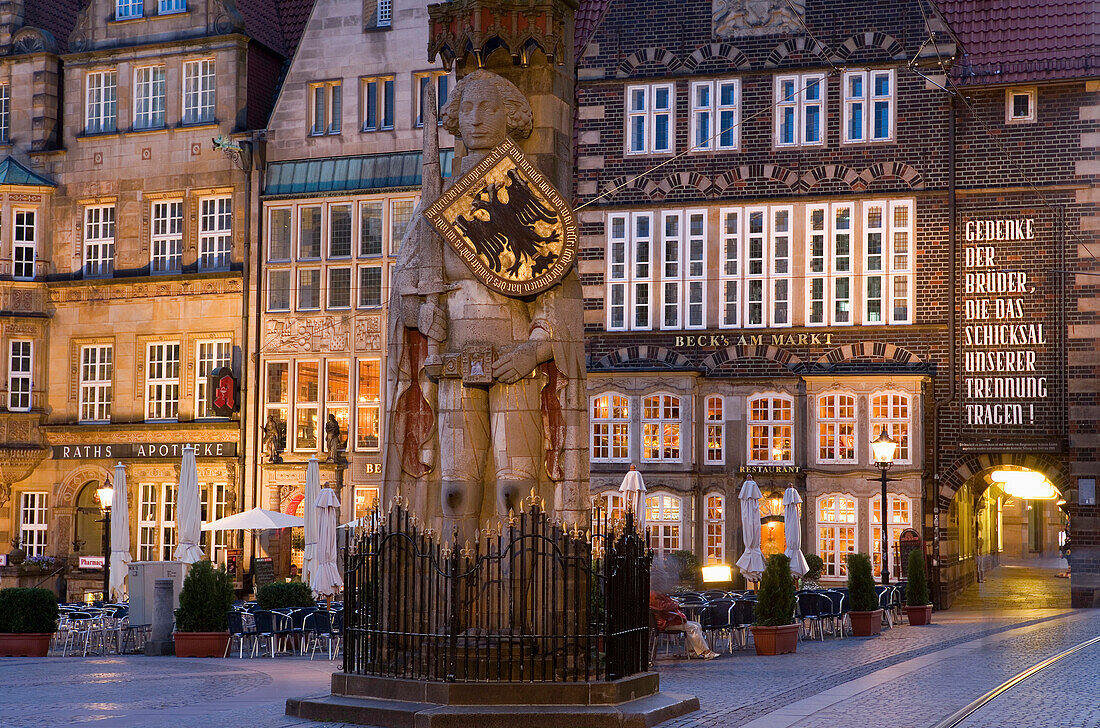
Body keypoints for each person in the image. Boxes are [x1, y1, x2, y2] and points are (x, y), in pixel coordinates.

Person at [649, 591, 719, 660]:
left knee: (697, 624)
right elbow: (662, 607)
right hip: (666, 623)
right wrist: (676, 605)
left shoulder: (656, 593)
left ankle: (692, 651)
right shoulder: (653, 594)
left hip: (668, 620)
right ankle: (706, 652)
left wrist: (674, 603)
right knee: (693, 627)